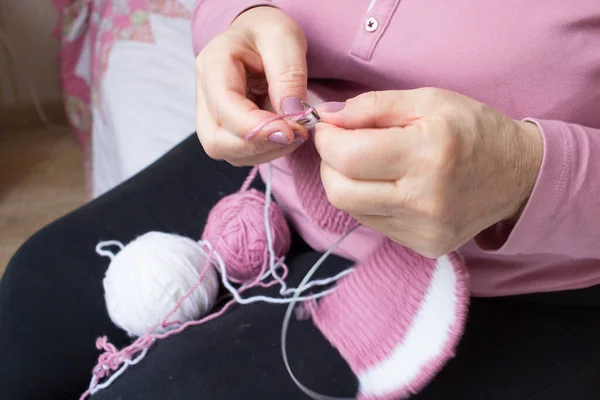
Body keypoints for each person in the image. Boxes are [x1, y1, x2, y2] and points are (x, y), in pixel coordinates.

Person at [1, 1, 600, 399]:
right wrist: (234, 24)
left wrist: (527, 174)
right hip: (268, 167)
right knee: (30, 303)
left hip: (526, 273)